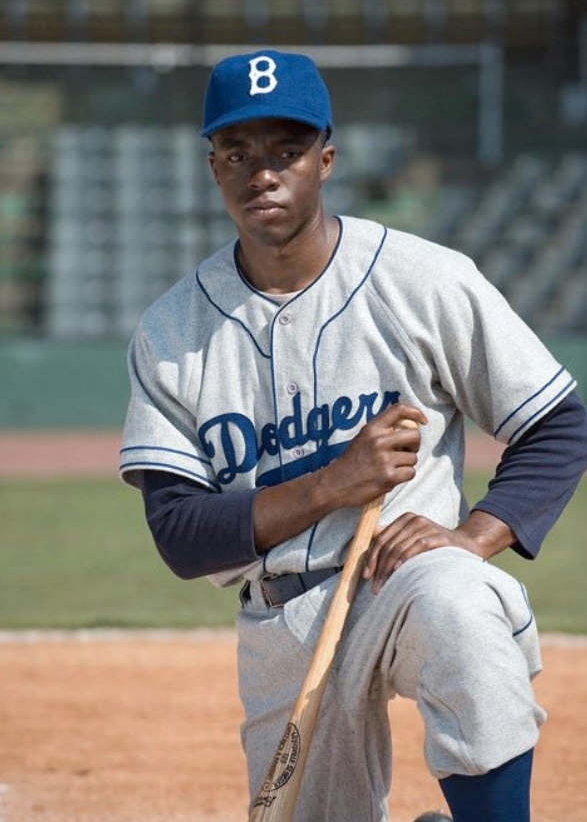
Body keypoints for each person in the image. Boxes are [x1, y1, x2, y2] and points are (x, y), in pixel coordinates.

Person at [119, 49, 587, 822]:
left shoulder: (423, 279)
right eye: (237, 153)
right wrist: (331, 485)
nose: (261, 172)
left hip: (400, 580)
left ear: (325, 160)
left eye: (285, 150)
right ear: (212, 168)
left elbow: (556, 421)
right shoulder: (173, 329)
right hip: (282, 616)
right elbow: (180, 533)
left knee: (459, 607)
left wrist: (472, 536)